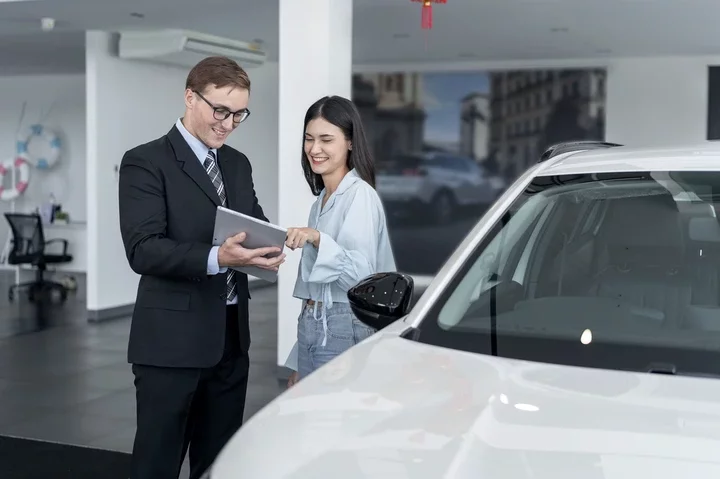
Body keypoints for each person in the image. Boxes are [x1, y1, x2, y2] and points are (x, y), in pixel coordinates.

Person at [118, 56, 285, 479]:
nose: (228, 123)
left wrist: (268, 250)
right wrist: (217, 258)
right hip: (171, 346)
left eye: (239, 114)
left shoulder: (237, 163)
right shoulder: (145, 161)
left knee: (218, 464)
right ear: (191, 97)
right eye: (221, 110)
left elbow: (253, 225)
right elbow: (144, 250)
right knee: (158, 463)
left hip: (230, 340)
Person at [283, 95, 396, 387]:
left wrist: (318, 239)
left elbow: (361, 278)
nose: (314, 149)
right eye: (309, 139)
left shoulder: (360, 195)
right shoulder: (321, 200)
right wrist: (299, 359)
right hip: (313, 323)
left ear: (350, 142)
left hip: (342, 323)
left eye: (325, 139)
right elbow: (316, 289)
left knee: (331, 422)